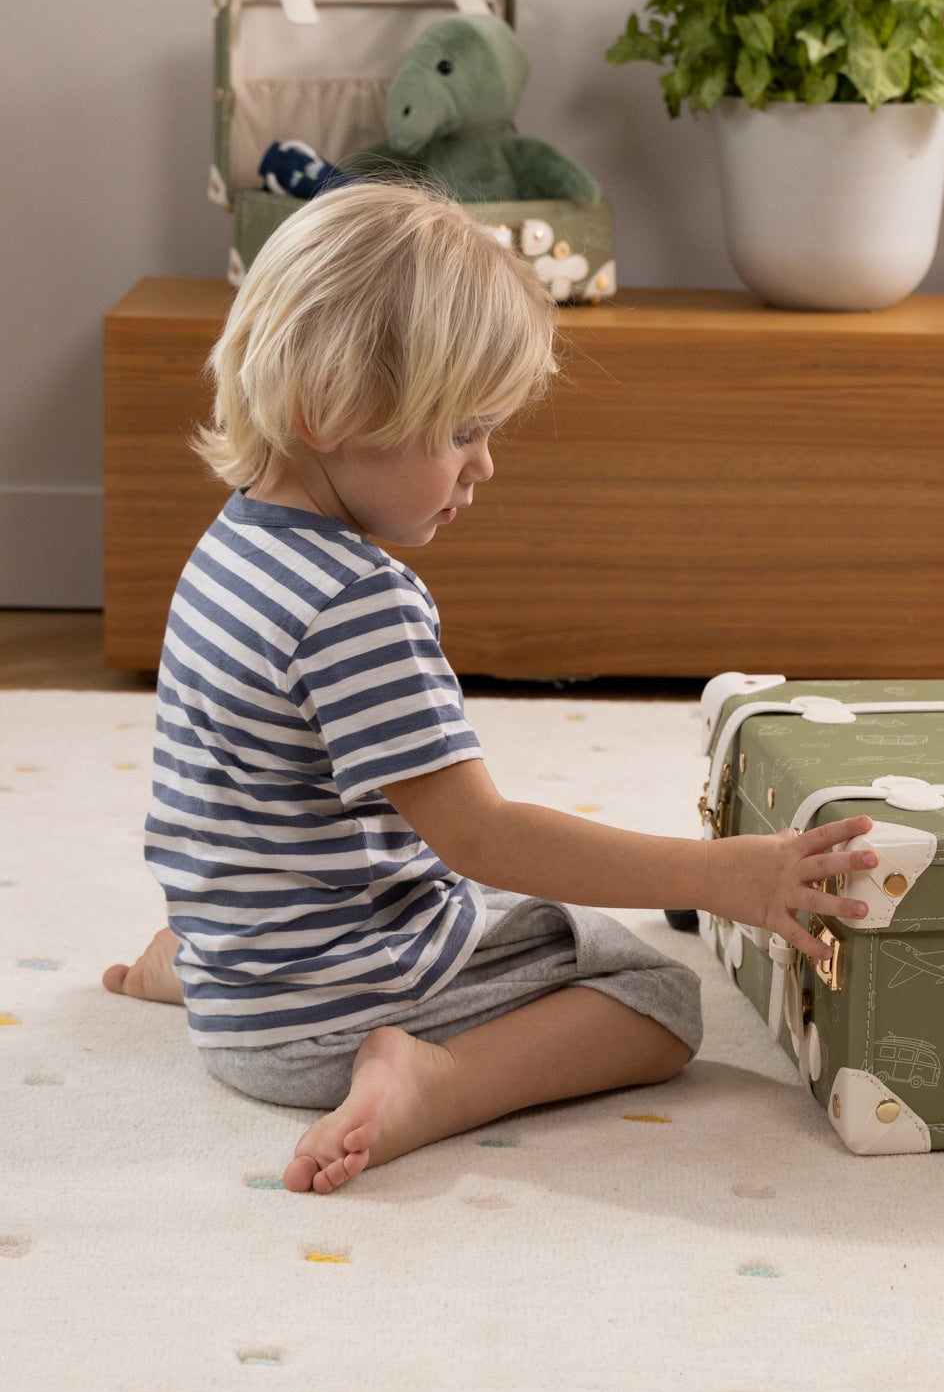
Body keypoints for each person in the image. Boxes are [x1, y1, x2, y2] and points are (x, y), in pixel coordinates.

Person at [103, 182, 876, 1194]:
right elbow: (482, 837)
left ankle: (186, 964)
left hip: (239, 988)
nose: (485, 465)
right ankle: (435, 1081)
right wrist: (720, 875)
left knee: (499, 903)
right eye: (462, 430)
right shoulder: (358, 602)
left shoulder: (230, 547)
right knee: (652, 994)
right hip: (330, 1015)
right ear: (325, 412)